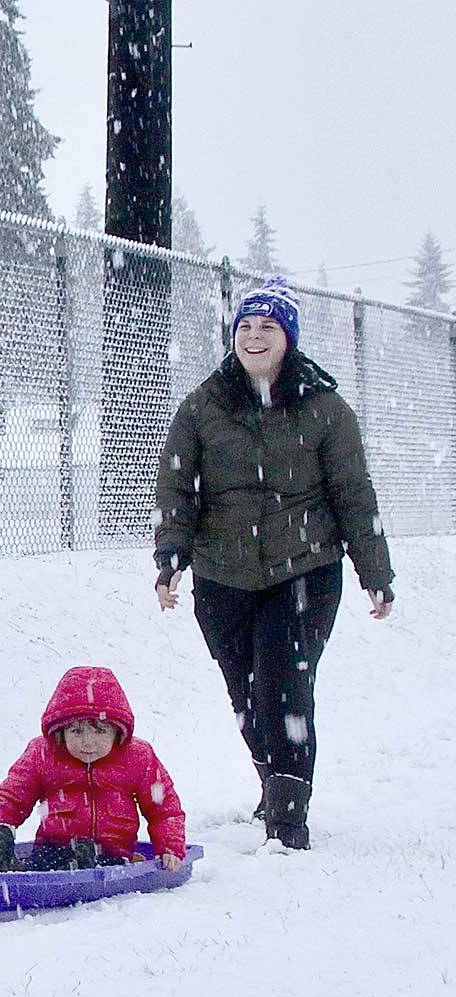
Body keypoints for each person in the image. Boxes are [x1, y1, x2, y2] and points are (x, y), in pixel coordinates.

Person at [153, 276, 393, 851]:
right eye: (246, 326)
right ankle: (273, 782)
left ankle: (288, 821)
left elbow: (354, 496)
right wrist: (171, 557)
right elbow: (176, 487)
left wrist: (375, 573)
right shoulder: (203, 405)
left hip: (303, 571)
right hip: (221, 575)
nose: (254, 336)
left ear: (289, 339)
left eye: (268, 327)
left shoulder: (326, 410)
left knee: (284, 691)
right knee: (246, 695)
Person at [0, 666, 186, 872]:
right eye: (77, 732)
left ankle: (79, 862)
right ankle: (7, 863)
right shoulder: (43, 755)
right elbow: (10, 799)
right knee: (43, 863)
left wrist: (170, 847)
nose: (88, 743)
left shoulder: (137, 756)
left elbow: (163, 806)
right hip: (50, 848)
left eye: (99, 731)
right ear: (61, 732)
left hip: (111, 853)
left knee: (90, 857)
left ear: (117, 732)